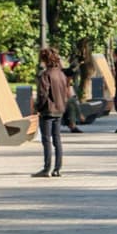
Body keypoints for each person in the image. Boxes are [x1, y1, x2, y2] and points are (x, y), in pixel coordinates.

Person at [33, 48, 67, 178]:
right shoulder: (61, 74)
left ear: (44, 60)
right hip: (59, 109)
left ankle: (47, 168)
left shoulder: (45, 75)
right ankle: (57, 168)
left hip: (48, 110)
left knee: (46, 140)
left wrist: (38, 108)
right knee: (57, 139)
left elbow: (42, 94)